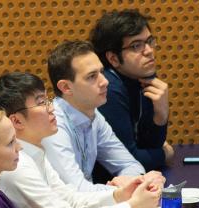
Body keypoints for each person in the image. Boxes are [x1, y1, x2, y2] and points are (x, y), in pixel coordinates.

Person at [0, 72, 162, 208]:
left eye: (48, 99)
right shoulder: (17, 166)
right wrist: (132, 207)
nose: (51, 108)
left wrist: (119, 195)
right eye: (41, 102)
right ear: (17, 121)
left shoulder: (33, 153)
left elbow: (70, 199)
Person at [42, 40, 165, 191]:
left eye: (101, 72)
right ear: (66, 87)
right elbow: (76, 190)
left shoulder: (93, 115)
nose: (105, 81)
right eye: (92, 76)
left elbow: (130, 164)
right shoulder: (52, 124)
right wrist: (126, 187)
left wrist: (133, 181)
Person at [89, 9, 174, 171]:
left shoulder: (142, 77)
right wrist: (165, 154)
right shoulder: (108, 89)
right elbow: (128, 161)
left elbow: (147, 145)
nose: (149, 51)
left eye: (149, 41)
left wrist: (161, 115)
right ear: (113, 58)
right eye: (136, 46)